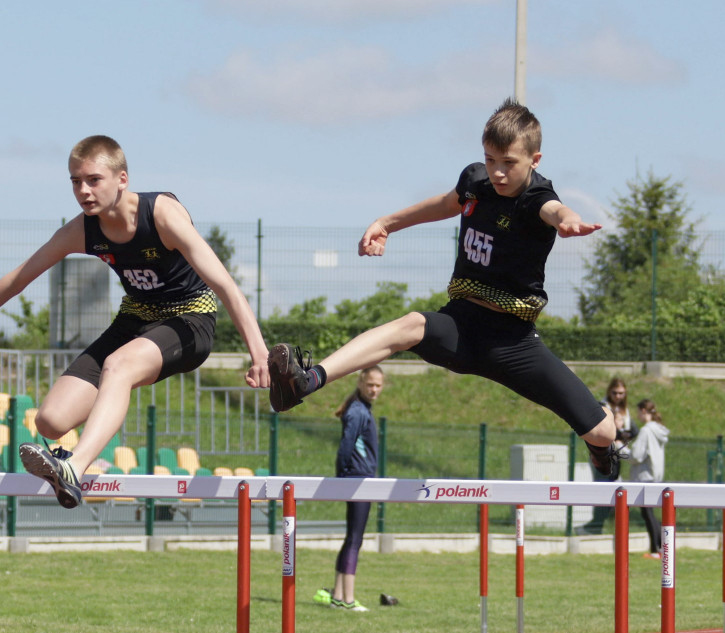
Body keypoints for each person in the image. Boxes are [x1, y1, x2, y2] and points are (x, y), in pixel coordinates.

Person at [268, 99, 620, 480]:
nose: (498, 172)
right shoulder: (475, 182)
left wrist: (569, 222)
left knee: (604, 431)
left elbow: (556, 210)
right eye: (490, 160)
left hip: (514, 344)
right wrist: (387, 222)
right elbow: (444, 204)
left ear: (535, 160)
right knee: (408, 325)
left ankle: (603, 454)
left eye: (509, 163)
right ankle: (305, 381)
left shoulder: (536, 197)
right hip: (462, 326)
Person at [0, 135, 270, 507]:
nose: (83, 191)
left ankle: (75, 468)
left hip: (189, 318)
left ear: (122, 179)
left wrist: (258, 353)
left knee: (119, 366)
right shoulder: (82, 230)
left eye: (93, 180)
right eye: (74, 181)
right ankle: (82, 456)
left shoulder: (162, 215)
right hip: (135, 320)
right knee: (50, 421)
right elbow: (16, 280)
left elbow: (225, 285)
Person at [313, 366, 384, 612]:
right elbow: (346, 446)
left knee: (352, 538)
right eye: (370, 385)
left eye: (378, 386)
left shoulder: (361, 409)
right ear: (361, 382)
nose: (374, 389)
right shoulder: (357, 411)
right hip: (357, 480)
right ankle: (349, 600)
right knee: (355, 538)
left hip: (358, 478)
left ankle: (339, 596)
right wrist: (341, 477)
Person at [579, 377, 638, 534]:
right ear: (609, 391)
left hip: (617, 453)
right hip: (602, 454)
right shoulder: (603, 406)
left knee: (613, 491)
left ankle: (600, 525)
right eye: (615, 393)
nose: (618, 396)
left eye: (621, 393)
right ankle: (595, 526)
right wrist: (617, 430)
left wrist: (623, 434)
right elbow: (602, 431)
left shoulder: (625, 411)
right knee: (602, 489)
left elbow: (633, 431)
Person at [628, 398, 669, 558]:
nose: (637, 415)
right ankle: (660, 547)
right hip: (655, 476)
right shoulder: (659, 429)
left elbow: (637, 456)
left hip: (644, 477)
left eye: (638, 412)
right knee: (649, 513)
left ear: (643, 411)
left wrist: (620, 451)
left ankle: (656, 549)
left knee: (648, 514)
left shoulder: (646, 431)